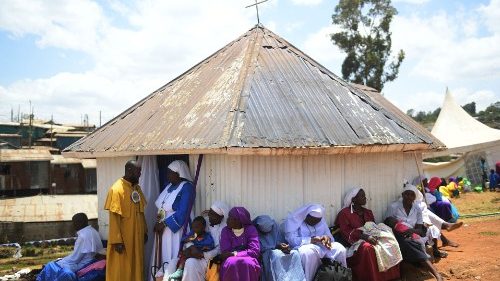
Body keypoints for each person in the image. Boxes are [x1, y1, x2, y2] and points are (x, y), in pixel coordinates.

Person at [335, 188, 401, 281]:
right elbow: (345, 231)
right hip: (355, 241)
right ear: (353, 199)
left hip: (371, 235)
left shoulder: (368, 212)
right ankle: (373, 278)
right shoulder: (344, 213)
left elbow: (372, 226)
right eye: (362, 196)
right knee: (368, 248)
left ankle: (391, 276)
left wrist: (376, 234)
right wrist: (364, 236)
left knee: (389, 242)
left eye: (364, 196)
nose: (365, 198)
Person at [385, 185, 443, 281]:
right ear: (402, 195)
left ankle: (409, 274)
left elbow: (420, 230)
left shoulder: (417, 209)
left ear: (414, 198)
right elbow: (387, 221)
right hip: (397, 234)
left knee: (408, 243)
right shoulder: (393, 207)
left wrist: (411, 231)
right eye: (407, 194)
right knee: (408, 242)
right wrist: (399, 227)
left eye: (412, 195)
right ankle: (436, 273)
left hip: (412, 236)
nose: (409, 197)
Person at [151, 160, 195, 280]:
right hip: (163, 228)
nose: (168, 175)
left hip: (176, 229)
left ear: (179, 173)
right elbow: (162, 206)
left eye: (170, 173)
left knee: (172, 255)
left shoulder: (187, 188)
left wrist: (165, 223)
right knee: (162, 255)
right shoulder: (168, 186)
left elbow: (183, 212)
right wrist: (159, 222)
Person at [105, 160, 147, 281]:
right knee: (122, 271)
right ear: (129, 171)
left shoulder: (136, 189)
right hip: (123, 241)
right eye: (138, 172)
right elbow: (114, 218)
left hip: (136, 239)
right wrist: (117, 240)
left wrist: (144, 230)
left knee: (137, 268)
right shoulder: (116, 189)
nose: (140, 174)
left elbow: (141, 212)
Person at [284, 204, 347, 281]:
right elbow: (291, 240)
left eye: (317, 220)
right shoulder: (295, 221)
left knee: (340, 248)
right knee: (308, 252)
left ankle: (342, 277)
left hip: (321, 246)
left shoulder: (321, 222)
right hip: (303, 245)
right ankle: (310, 279)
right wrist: (311, 240)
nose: (315, 222)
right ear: (306, 216)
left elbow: (329, 236)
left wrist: (327, 239)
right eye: (312, 219)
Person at [37, 213, 104, 281]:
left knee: (50, 265)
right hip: (91, 260)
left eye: (74, 223)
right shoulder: (93, 231)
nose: (73, 225)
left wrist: (61, 261)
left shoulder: (83, 236)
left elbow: (75, 258)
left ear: (79, 223)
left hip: (82, 264)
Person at [180, 201, 229, 281]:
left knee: (191, 262)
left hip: (209, 259)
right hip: (193, 253)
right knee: (189, 262)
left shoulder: (224, 229)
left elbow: (219, 249)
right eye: (210, 212)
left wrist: (203, 254)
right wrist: (192, 247)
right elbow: (190, 235)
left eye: (213, 215)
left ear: (221, 217)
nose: (209, 215)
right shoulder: (203, 221)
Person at [253, 215, 306, 281]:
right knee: (276, 255)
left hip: (278, 250)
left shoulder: (275, 227)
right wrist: (275, 246)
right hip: (266, 253)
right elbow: (256, 248)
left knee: (295, 253)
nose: (267, 234)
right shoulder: (253, 230)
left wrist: (284, 246)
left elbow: (280, 240)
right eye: (264, 233)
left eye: (269, 232)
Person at [219, 207, 261, 281]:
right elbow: (225, 252)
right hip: (231, 258)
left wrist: (234, 254)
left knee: (249, 263)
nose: (227, 220)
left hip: (249, 258)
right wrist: (232, 254)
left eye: (230, 217)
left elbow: (254, 251)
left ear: (238, 220)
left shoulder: (251, 229)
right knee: (230, 262)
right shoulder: (225, 231)